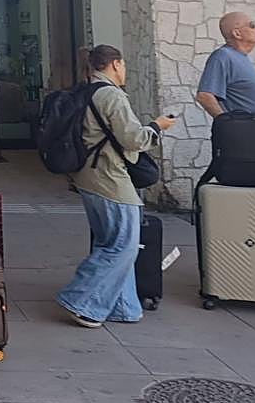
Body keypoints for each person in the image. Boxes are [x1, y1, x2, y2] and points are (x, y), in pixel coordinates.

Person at [58, 45, 175, 327]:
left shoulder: (85, 91)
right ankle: (79, 301)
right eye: (123, 66)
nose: (124, 71)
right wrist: (157, 127)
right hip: (110, 178)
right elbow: (133, 139)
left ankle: (124, 307)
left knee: (109, 242)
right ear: (115, 64)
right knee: (123, 247)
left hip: (87, 176)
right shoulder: (111, 95)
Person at [196, 12, 255, 120]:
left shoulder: (241, 57)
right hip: (242, 128)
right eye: (252, 25)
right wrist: (226, 122)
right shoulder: (223, 56)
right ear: (237, 33)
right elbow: (204, 96)